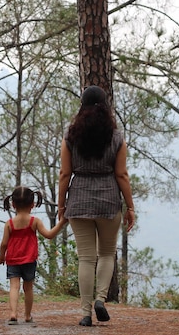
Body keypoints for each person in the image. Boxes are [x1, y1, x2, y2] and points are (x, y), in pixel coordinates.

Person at [57, 85, 136, 327]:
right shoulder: (116, 138)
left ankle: (85, 313)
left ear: (82, 106)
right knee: (106, 253)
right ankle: (101, 298)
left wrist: (62, 205)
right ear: (106, 107)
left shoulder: (70, 138)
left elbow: (64, 174)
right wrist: (130, 207)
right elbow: (121, 174)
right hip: (109, 201)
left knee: (86, 259)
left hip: (79, 200)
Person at [0, 186, 68, 325]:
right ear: (33, 204)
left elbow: (4, 244)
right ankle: (28, 315)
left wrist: (1, 257)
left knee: (14, 287)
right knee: (28, 288)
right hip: (29, 259)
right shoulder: (34, 221)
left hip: (13, 259)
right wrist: (61, 222)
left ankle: (13, 313)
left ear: (13, 204)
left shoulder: (9, 224)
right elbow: (49, 235)